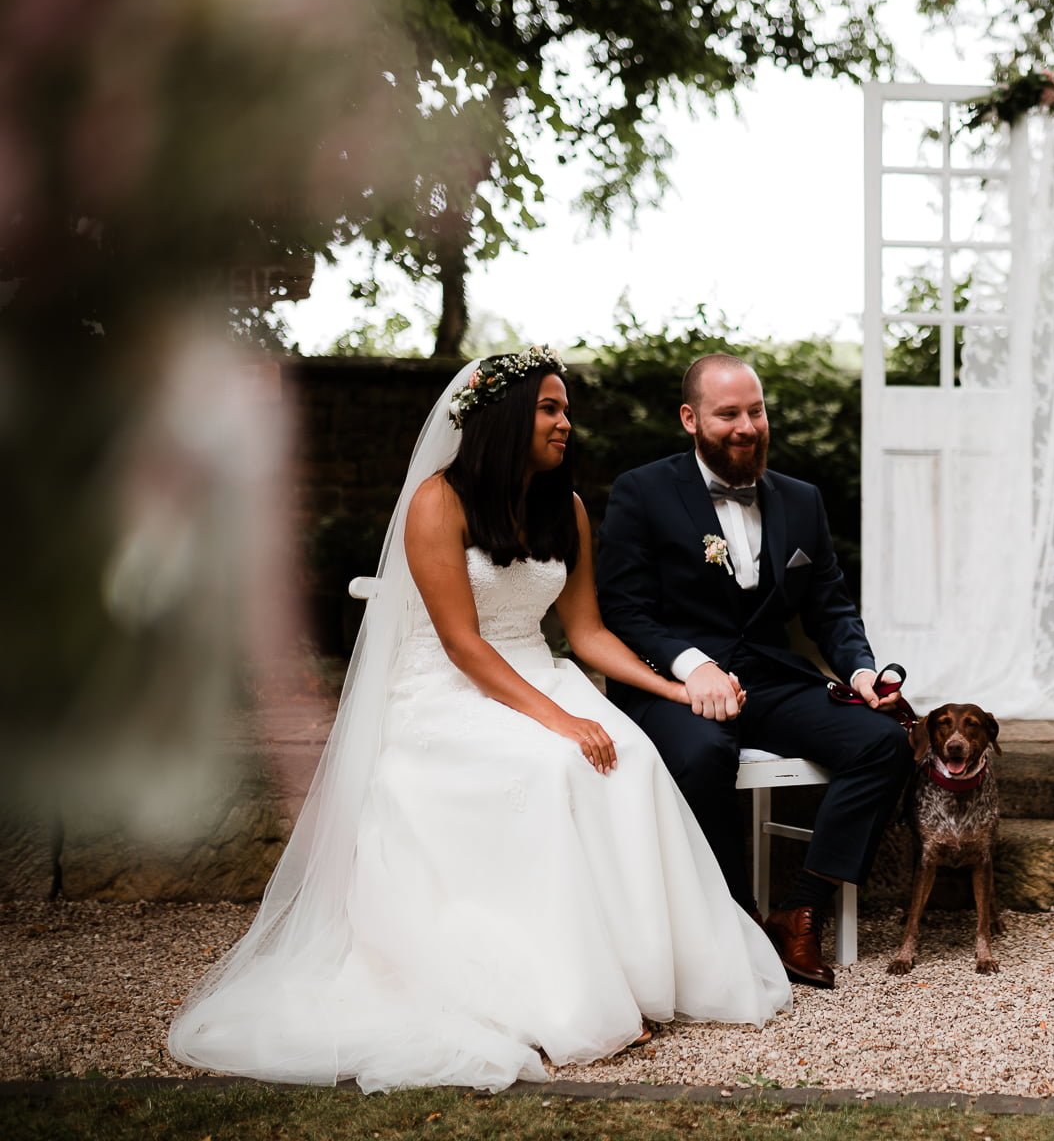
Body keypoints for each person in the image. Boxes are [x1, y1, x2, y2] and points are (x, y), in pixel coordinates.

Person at [167, 349, 789, 1093]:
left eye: (565, 409)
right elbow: (462, 644)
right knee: (552, 763)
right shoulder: (439, 502)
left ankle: (637, 974)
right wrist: (557, 720)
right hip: (448, 691)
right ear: (502, 419)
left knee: (633, 752)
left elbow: (586, 634)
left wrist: (676, 688)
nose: (567, 423)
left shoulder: (569, 507)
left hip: (537, 669)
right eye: (550, 409)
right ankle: (558, 995)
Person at [598, 353, 912, 990]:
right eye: (727, 414)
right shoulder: (642, 491)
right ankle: (731, 919)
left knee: (884, 745)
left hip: (769, 679)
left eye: (756, 411)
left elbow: (830, 604)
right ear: (690, 418)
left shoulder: (801, 500)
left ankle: (800, 910)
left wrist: (859, 671)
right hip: (672, 684)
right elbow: (624, 610)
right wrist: (694, 667)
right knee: (705, 754)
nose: (747, 426)